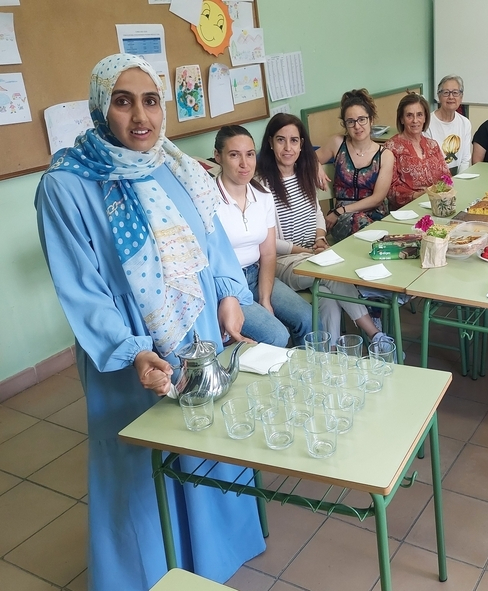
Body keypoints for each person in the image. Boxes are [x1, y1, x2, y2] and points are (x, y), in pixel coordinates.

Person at [34, 54, 265, 591]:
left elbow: (214, 245)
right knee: (142, 465)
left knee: (206, 444)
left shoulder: (177, 167)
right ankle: (146, 571)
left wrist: (230, 296)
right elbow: (82, 289)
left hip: (201, 336)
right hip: (132, 350)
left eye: (151, 100)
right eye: (123, 101)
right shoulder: (65, 187)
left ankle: (213, 558)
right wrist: (131, 349)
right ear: (100, 108)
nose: (141, 116)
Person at [256, 113, 390, 347]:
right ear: (270, 143)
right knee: (331, 272)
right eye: (280, 140)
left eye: (294, 140)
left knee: (328, 299)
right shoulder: (260, 183)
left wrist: (320, 238)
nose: (288, 147)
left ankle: (329, 356)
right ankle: (374, 334)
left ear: (302, 144)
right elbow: (267, 242)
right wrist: (307, 251)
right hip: (281, 261)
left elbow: (317, 212)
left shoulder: (304, 174)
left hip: (312, 255)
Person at [213, 125, 314, 346]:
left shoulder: (263, 196)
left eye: (250, 154)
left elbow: (268, 254)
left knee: (308, 317)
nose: (244, 163)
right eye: (234, 155)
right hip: (227, 286)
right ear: (218, 156)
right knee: (276, 335)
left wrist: (265, 299)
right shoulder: (207, 200)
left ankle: (307, 373)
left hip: (257, 275)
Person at [315, 89, 396, 242]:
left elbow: (377, 198)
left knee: (374, 229)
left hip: (374, 215)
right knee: (364, 227)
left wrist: (340, 210)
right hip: (344, 220)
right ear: (345, 124)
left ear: (371, 120)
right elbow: (309, 158)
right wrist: (316, 165)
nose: (357, 126)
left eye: (362, 119)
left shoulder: (385, 155)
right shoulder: (338, 143)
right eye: (351, 122)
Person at [385, 93, 452, 209]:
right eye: (409, 116)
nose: (415, 120)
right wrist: (419, 195)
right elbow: (390, 190)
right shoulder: (391, 148)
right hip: (408, 209)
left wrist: (441, 193)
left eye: (419, 115)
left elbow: (446, 177)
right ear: (401, 119)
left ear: (425, 117)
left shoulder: (433, 145)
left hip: (437, 205)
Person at [424, 75, 473, 174]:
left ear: (461, 97)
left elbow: (465, 160)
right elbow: (427, 161)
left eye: (455, 93)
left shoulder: (465, 123)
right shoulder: (427, 123)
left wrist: (459, 181)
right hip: (434, 179)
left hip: (458, 179)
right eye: (446, 93)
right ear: (439, 96)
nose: (451, 97)